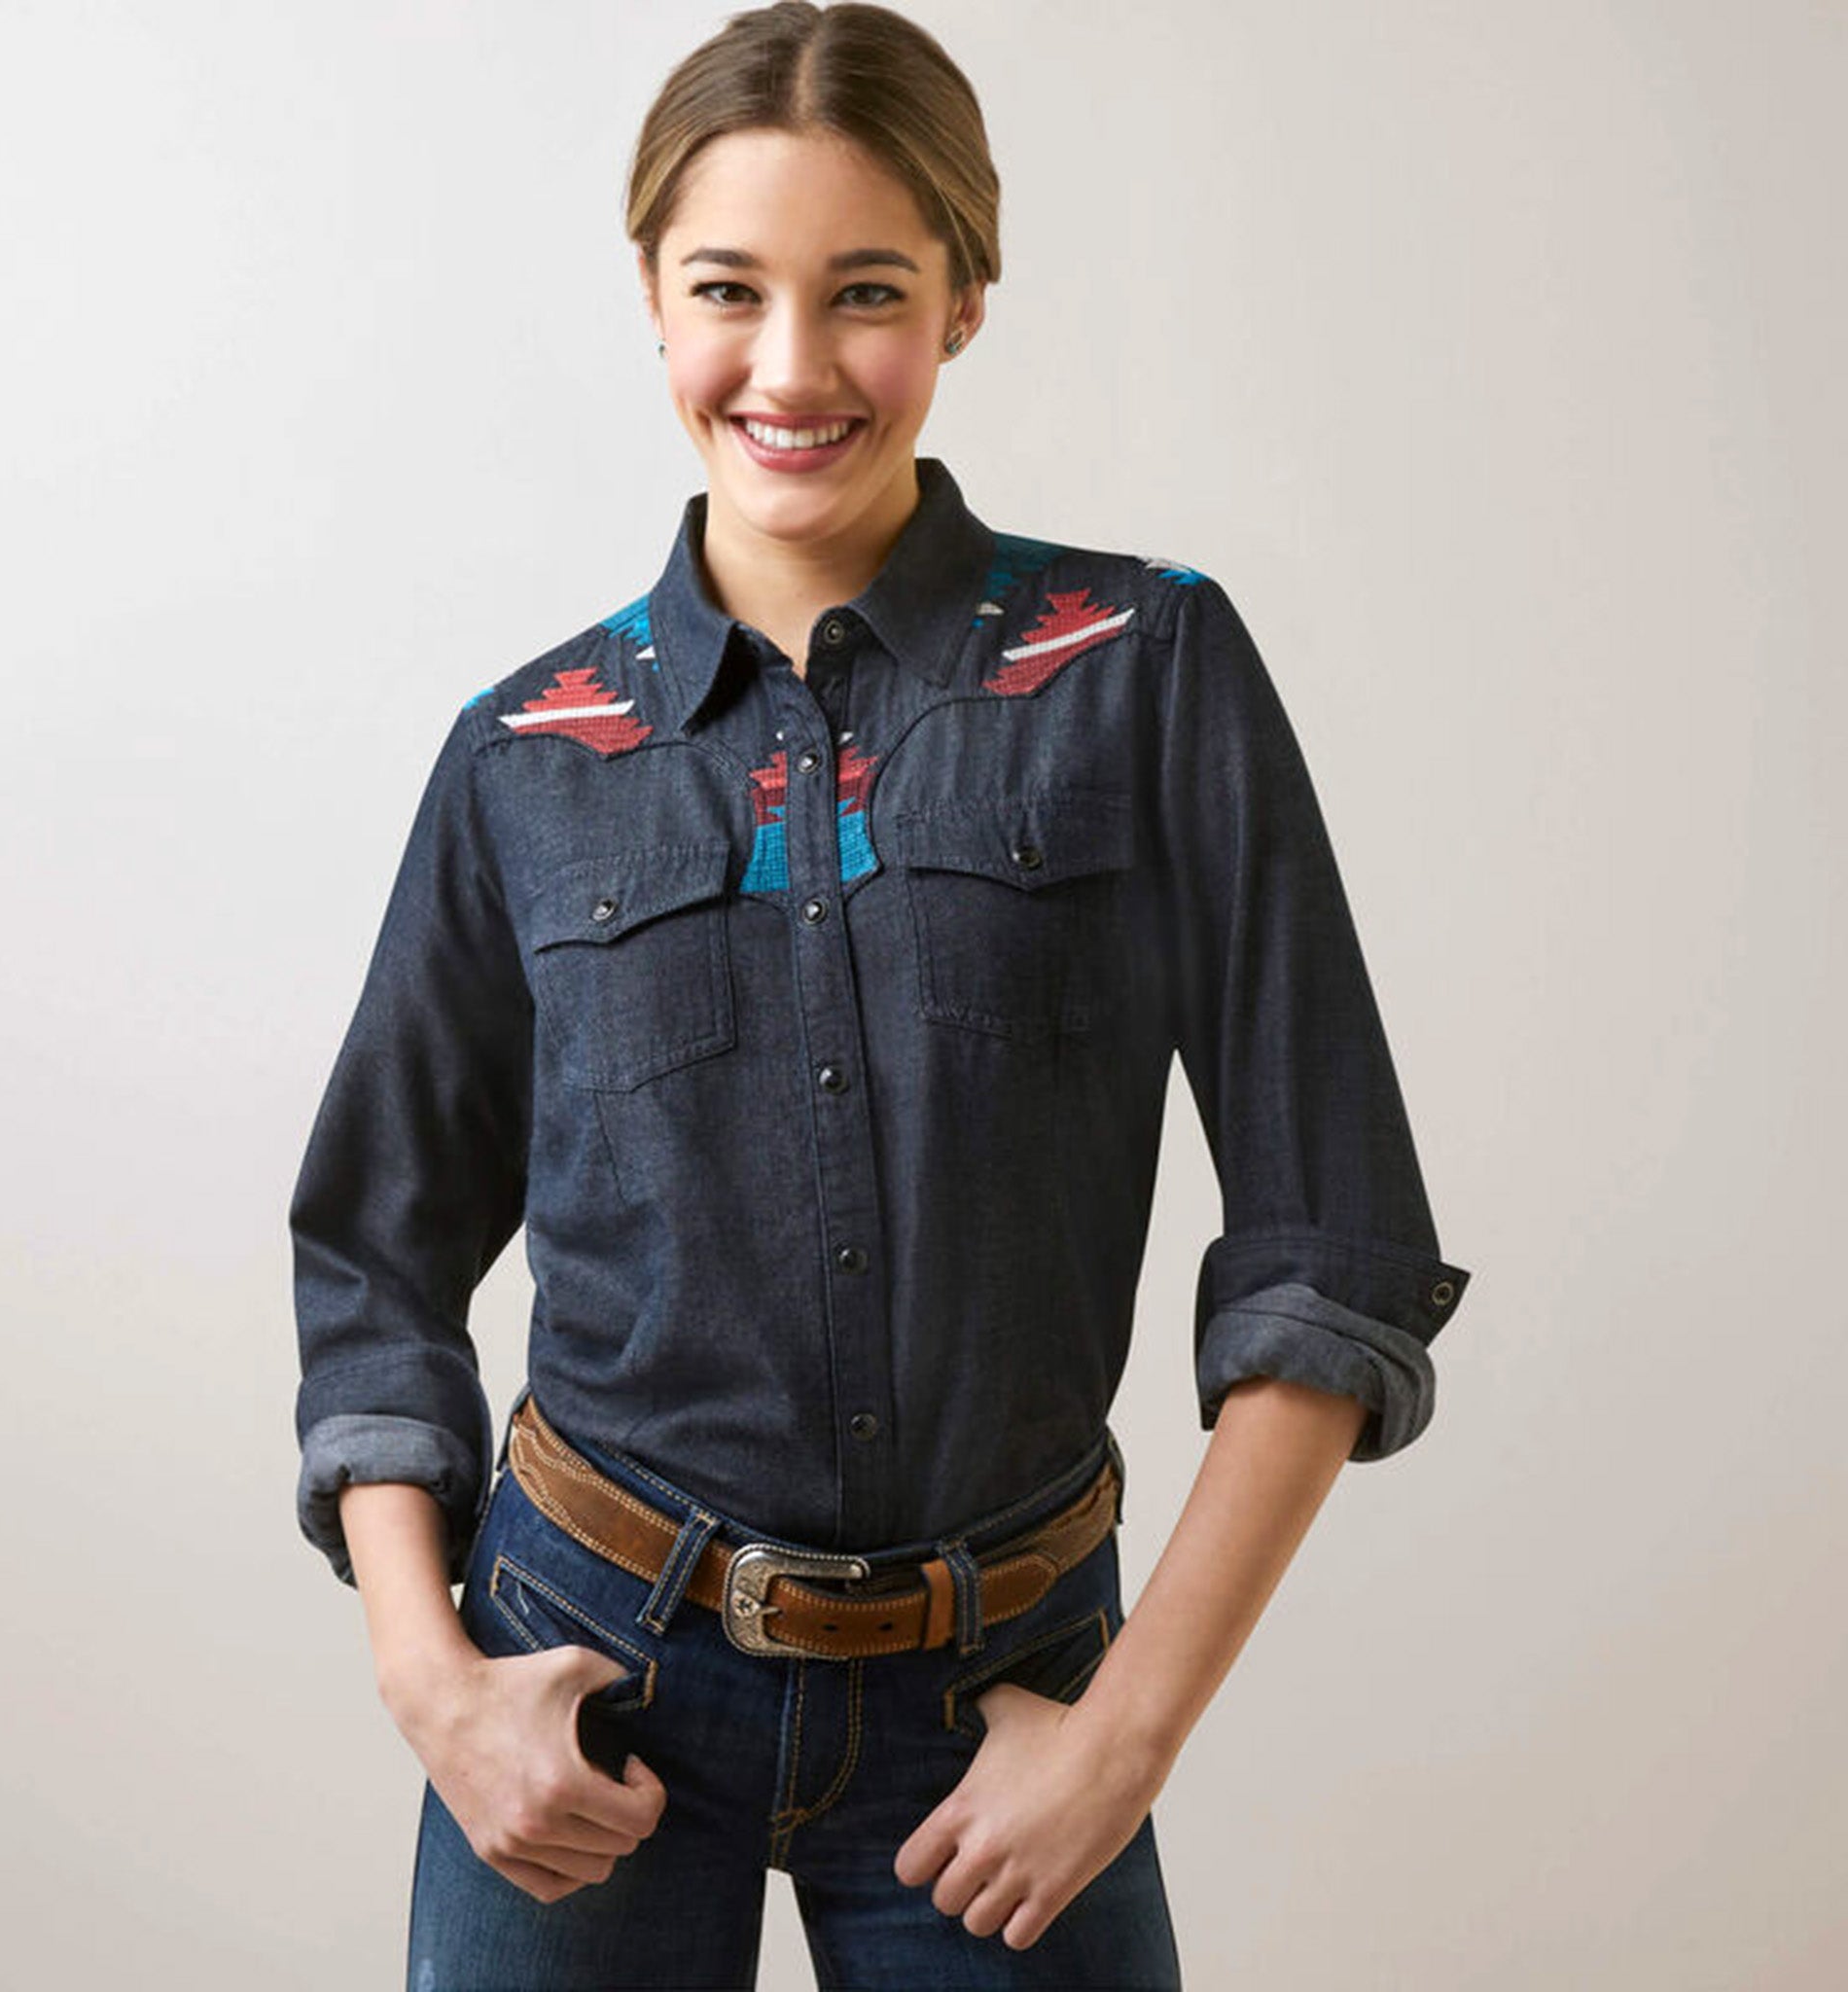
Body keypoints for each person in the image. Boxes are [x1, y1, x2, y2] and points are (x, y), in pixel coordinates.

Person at [288, 4, 1473, 1986]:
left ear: (964, 299)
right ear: (651, 298)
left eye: (865, 292)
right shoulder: (526, 753)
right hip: (582, 1667)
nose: (790, 367)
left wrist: (1125, 1740)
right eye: (726, 290)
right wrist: (436, 1686)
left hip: (1005, 1699)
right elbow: (371, 1262)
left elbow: (1331, 1243)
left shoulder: (1143, 667)